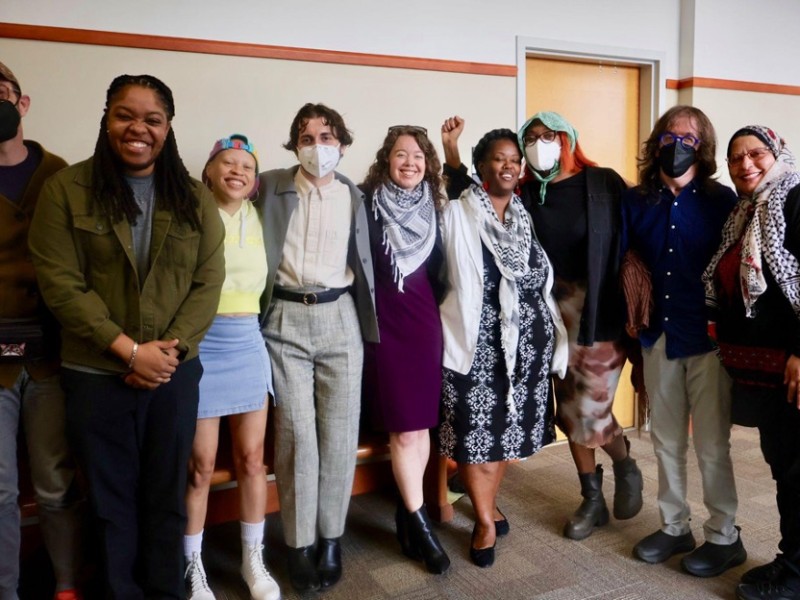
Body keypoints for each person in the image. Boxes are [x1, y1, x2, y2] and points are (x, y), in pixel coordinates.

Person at [29, 74, 225, 598]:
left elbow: (208, 284)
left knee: (166, 498)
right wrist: (129, 352)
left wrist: (169, 352)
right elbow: (61, 286)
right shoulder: (65, 190)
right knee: (112, 504)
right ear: (106, 119)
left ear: (168, 128)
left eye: (152, 119)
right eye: (124, 115)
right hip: (96, 374)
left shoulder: (194, 199)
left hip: (173, 374)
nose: (137, 128)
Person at [442, 113, 642, 541]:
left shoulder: (602, 182)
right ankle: (591, 497)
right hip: (549, 321)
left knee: (589, 412)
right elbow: (476, 198)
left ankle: (624, 461)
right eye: (529, 138)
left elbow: (640, 223)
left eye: (547, 136)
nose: (538, 145)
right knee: (568, 411)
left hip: (596, 315)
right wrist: (453, 152)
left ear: (567, 139)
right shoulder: (528, 194)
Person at [256, 103, 378, 594]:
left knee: (340, 433)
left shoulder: (354, 194)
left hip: (339, 316)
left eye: (326, 137)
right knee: (296, 437)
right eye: (306, 137)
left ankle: (331, 536)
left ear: (342, 145)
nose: (317, 146)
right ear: (294, 145)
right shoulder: (268, 186)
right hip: (285, 315)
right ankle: (298, 543)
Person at [621, 105, 744, 577]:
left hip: (709, 341)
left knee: (712, 444)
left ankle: (724, 535)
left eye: (690, 138)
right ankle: (675, 526)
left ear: (703, 146)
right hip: (658, 338)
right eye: (671, 136)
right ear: (658, 142)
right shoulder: (638, 202)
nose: (679, 144)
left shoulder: (722, 201)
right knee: (665, 441)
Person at [438, 126, 567, 568]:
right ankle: (485, 521)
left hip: (527, 346)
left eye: (514, 158)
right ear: (481, 168)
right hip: (477, 344)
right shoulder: (456, 212)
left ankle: (486, 503)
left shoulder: (523, 214)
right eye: (499, 158)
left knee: (509, 437)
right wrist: (450, 151)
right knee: (477, 438)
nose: (509, 165)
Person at [703, 126, 800, 600]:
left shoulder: (794, 199)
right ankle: (792, 561)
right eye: (736, 157)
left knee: (799, 468)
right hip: (766, 372)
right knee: (786, 466)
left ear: (776, 153)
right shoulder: (745, 211)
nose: (745, 165)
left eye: (756, 153)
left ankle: (796, 577)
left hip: (793, 367)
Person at [183, 134, 279, 600]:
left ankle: (252, 560)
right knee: (200, 466)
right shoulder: (188, 214)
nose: (237, 171)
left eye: (246, 165)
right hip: (203, 344)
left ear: (255, 179)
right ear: (209, 170)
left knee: (252, 460)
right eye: (227, 163)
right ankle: (191, 566)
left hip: (248, 343)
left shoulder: (264, 218)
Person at [0, 60, 83, 600]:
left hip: (52, 354)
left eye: (1, 91)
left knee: (56, 484)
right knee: (0, 490)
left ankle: (67, 585)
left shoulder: (63, 174)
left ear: (22, 102)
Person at [360, 125, 449, 574]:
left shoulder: (438, 207)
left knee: (422, 428)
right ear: (386, 159)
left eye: (417, 155)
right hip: (384, 330)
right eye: (400, 154)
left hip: (425, 327)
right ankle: (420, 524)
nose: (409, 162)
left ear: (428, 163)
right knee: (404, 431)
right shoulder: (365, 204)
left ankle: (405, 513)